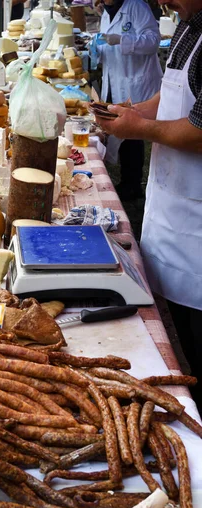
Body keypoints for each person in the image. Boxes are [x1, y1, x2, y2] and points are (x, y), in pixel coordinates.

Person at [95, 0, 202, 403]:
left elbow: (200, 129)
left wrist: (140, 127)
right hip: (172, 204)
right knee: (179, 327)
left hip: (197, 218)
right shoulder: (190, 26)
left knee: (197, 335)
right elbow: (170, 94)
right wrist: (133, 110)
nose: (163, 1)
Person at [98, 0, 162, 201]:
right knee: (117, 127)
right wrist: (95, 50)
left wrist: (122, 40)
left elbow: (153, 41)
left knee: (133, 134)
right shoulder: (105, 13)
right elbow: (106, 45)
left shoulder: (136, 6)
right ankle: (124, 180)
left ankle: (132, 185)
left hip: (135, 80)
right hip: (114, 78)